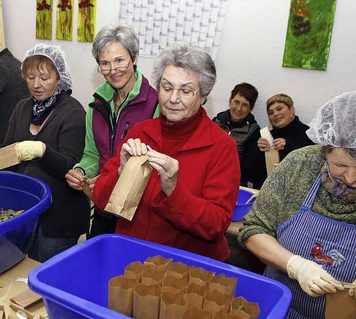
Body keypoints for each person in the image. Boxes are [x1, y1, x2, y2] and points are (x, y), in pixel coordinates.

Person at [238, 91, 356, 318]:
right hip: (283, 311)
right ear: (325, 149)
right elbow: (253, 230)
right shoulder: (298, 166)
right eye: (339, 164)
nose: (350, 178)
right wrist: (295, 265)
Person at [91, 43, 240, 261]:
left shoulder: (221, 147)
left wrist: (173, 190)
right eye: (167, 87)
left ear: (204, 96)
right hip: (131, 258)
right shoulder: (141, 132)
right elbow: (101, 200)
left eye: (186, 91)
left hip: (186, 270)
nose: (173, 99)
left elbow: (216, 225)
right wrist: (121, 171)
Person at [0, 43, 89, 262]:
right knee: (25, 267)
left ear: (59, 78)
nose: (36, 85)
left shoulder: (73, 112)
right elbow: (9, 153)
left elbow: (70, 168)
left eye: (44, 78)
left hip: (59, 215)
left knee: (48, 272)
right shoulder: (22, 107)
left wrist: (42, 151)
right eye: (30, 77)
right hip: (27, 209)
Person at [64, 24, 159, 239]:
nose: (113, 70)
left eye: (119, 60)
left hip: (139, 216)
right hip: (103, 208)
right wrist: (81, 171)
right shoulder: (96, 104)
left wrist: (115, 177)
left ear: (134, 58)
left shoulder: (155, 104)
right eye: (104, 63)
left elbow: (157, 166)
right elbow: (91, 155)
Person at [247, 93, 315, 189]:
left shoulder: (309, 134)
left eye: (279, 109)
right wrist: (257, 150)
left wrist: (289, 146)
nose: (275, 114)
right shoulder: (264, 136)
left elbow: (313, 166)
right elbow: (250, 173)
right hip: (265, 193)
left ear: (292, 110)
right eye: (271, 112)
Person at [212, 83, 261, 188]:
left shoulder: (254, 131)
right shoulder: (216, 121)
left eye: (245, 105)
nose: (239, 108)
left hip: (234, 182)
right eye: (236, 102)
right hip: (208, 174)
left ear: (251, 108)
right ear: (230, 101)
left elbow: (248, 168)